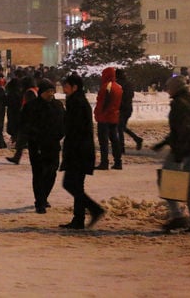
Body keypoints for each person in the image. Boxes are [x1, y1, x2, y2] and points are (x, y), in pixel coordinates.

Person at [152, 76, 190, 234]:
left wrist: (178, 152)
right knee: (187, 185)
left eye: (169, 87)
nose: (167, 89)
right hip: (187, 148)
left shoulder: (179, 104)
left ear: (176, 88)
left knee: (167, 180)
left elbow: (184, 129)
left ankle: (178, 216)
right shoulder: (184, 101)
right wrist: (164, 143)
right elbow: (180, 129)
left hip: (182, 149)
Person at [59, 74, 104, 229]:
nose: (64, 90)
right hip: (82, 149)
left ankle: (94, 209)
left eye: (66, 86)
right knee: (76, 185)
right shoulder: (78, 101)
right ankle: (78, 219)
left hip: (78, 150)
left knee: (70, 184)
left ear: (74, 87)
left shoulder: (76, 103)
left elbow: (73, 129)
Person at [20, 79, 64, 213]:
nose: (51, 94)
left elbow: (64, 122)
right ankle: (40, 201)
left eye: (52, 91)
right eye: (48, 91)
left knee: (51, 173)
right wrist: (33, 137)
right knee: (39, 174)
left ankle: (44, 197)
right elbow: (24, 124)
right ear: (41, 92)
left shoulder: (58, 105)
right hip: (37, 145)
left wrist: (59, 134)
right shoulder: (31, 106)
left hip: (53, 144)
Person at [94, 67, 123, 170]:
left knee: (104, 141)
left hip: (104, 117)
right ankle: (118, 162)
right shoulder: (118, 87)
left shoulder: (106, 87)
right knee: (115, 140)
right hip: (114, 117)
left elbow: (102, 102)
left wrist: (97, 113)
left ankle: (104, 162)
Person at [115, 69, 143, 153]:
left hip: (121, 108)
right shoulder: (128, 84)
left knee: (120, 128)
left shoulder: (119, 84)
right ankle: (137, 139)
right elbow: (130, 96)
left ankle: (121, 148)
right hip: (128, 108)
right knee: (121, 127)